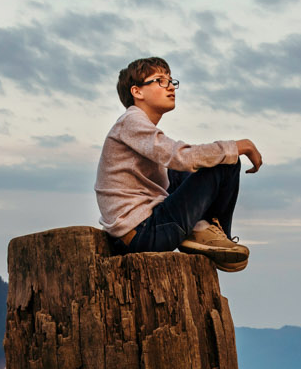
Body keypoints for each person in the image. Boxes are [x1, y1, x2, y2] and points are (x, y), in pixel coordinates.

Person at [95, 56, 262, 271]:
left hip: (143, 230)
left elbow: (181, 160)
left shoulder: (138, 127)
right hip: (144, 232)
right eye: (160, 80)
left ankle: (204, 231)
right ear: (137, 92)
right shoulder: (131, 120)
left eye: (171, 81)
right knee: (225, 163)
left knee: (188, 167)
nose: (170, 87)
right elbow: (181, 156)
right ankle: (212, 235)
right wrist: (242, 146)